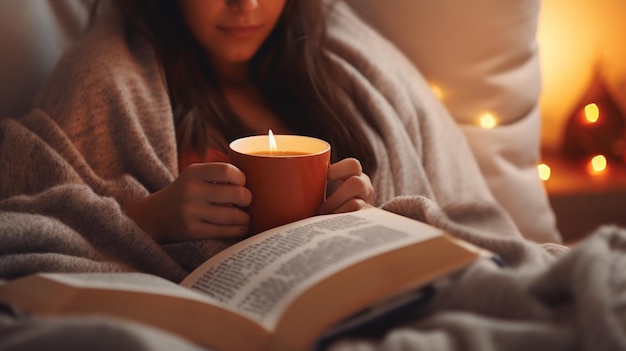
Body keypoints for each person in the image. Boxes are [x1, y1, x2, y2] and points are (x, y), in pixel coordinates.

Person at [25, 0, 523, 257]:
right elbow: (25, 228)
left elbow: (470, 223)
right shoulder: (106, 74)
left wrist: (374, 219)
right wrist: (148, 221)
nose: (247, 3)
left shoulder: (349, 63)